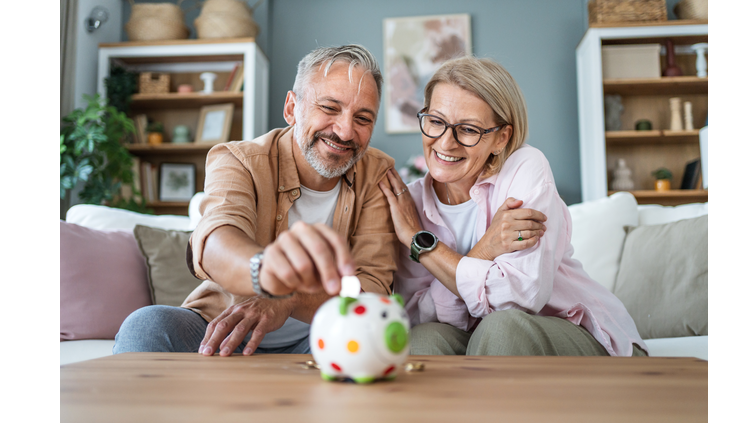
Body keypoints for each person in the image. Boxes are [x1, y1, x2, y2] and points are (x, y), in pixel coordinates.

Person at [114, 44, 400, 357]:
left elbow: (371, 289)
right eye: (330, 109)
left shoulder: (377, 173)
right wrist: (265, 273)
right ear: (291, 108)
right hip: (222, 327)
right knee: (146, 324)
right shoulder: (239, 159)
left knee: (369, 343)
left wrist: (288, 298)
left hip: (321, 339)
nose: (345, 131)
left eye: (362, 118)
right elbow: (215, 241)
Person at [379, 56, 647, 357]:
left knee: (501, 328)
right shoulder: (409, 205)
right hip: (476, 335)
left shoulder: (525, 169)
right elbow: (416, 316)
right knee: (421, 340)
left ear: (501, 137)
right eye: (436, 121)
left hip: (575, 332)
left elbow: (520, 298)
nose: (445, 143)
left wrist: (424, 247)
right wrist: (483, 250)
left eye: (467, 129)